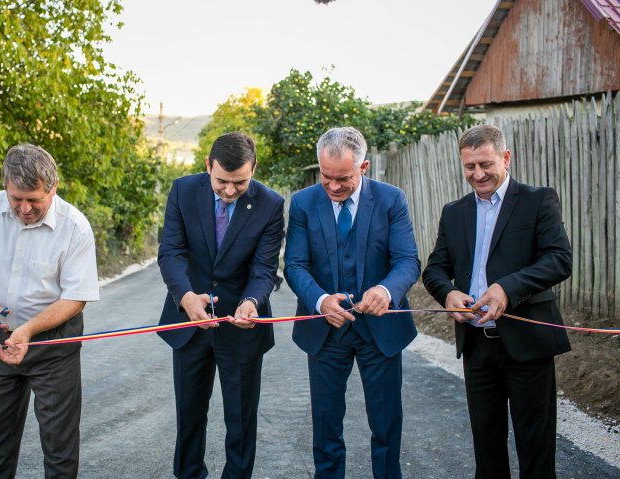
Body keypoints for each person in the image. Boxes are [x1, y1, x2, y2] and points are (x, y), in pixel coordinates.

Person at [422, 124, 572, 479]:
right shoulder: (454, 212)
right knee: (486, 450)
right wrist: (447, 293)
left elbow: (559, 258)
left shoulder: (538, 199)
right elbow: (435, 269)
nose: (478, 174)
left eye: (486, 164)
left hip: (528, 343)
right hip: (477, 345)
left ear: (505, 158)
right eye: (470, 167)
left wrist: (508, 287)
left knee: (535, 450)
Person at [0, 143, 100, 478]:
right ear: (5, 185)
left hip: (54, 345)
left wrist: (28, 330)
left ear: (53, 187)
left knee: (59, 446)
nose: (25, 207)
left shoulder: (75, 227)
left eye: (34, 199)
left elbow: (76, 297)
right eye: (16, 198)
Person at [284, 126, 420, 479]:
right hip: (325, 333)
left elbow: (407, 261)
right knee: (326, 426)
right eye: (326, 177)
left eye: (342, 178)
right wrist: (319, 300)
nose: (332, 186)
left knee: (387, 424)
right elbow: (295, 265)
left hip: (382, 331)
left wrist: (386, 291)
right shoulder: (302, 203)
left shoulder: (392, 200)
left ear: (364, 168)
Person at [157, 131, 284, 479]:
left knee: (241, 423)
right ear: (208, 166)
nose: (229, 191)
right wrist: (185, 297)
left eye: (240, 182)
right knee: (189, 417)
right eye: (222, 182)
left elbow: (263, 269)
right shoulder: (183, 191)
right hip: (188, 324)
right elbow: (170, 253)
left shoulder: (271, 204)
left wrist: (251, 301)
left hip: (242, 328)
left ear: (254, 168)